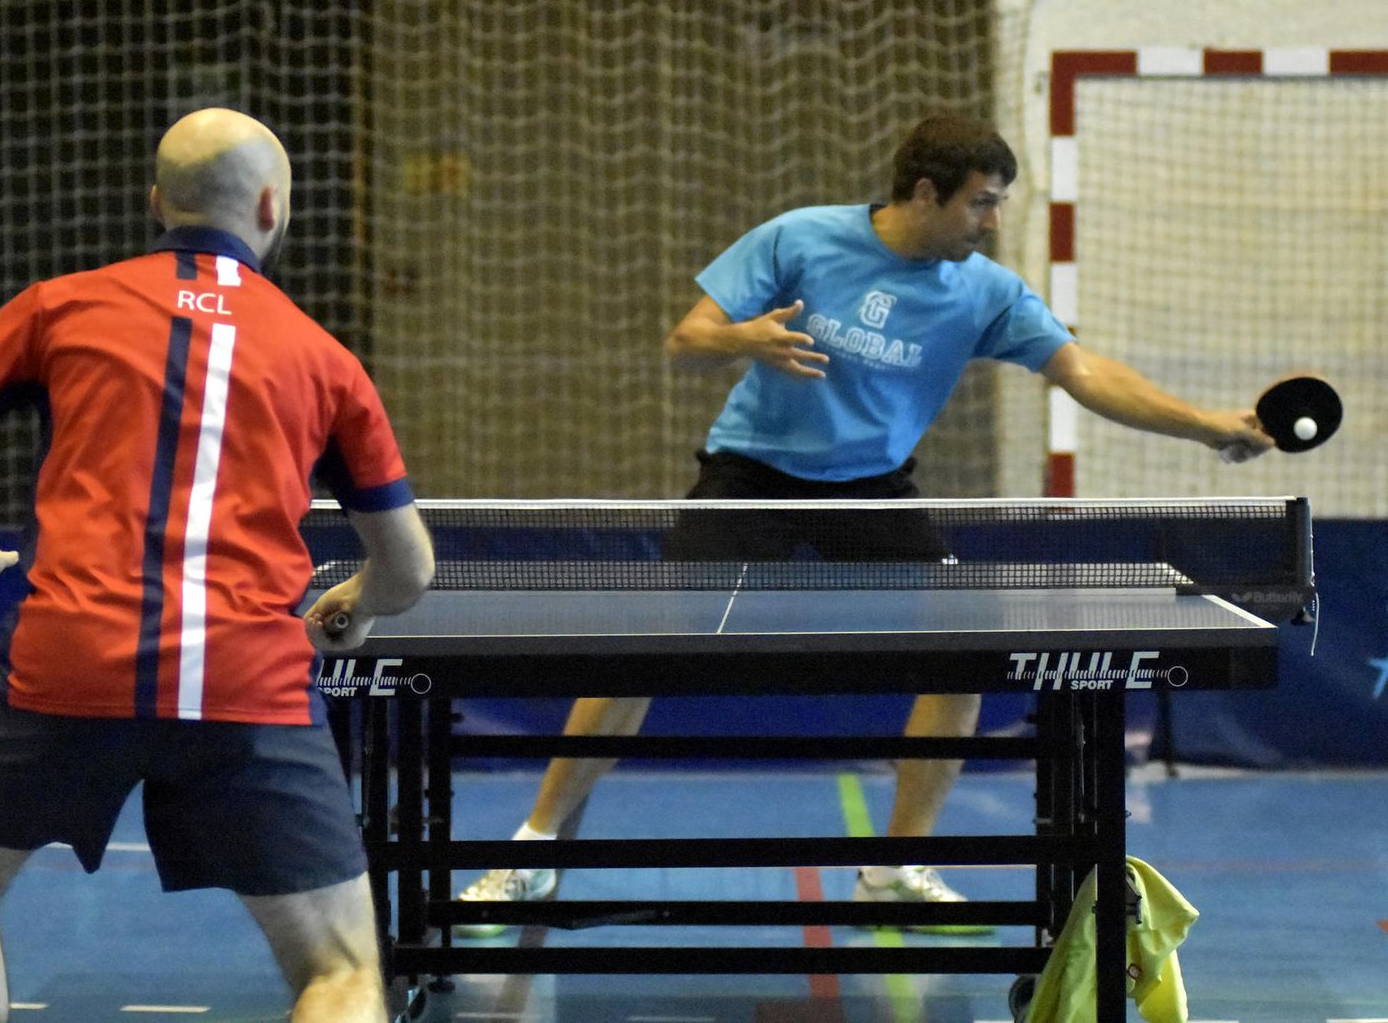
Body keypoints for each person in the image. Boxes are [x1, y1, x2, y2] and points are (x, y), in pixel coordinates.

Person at [453, 115, 1273, 937]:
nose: (993, 223)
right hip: (751, 475)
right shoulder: (800, 238)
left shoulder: (985, 291)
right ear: (925, 193)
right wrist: (743, 337)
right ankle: (530, 856)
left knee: (963, 658)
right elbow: (687, 341)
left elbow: (1084, 371)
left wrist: (1204, 423)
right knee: (639, 655)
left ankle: (893, 872)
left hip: (871, 489)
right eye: (981, 204)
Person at [0, 108, 434, 1023]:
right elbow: (407, 571)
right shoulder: (327, 361)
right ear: (272, 207)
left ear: (157, 202)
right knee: (342, 971)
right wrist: (351, 603)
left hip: (69, 667)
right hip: (247, 680)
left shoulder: (59, 305)